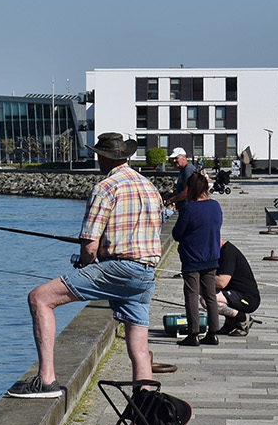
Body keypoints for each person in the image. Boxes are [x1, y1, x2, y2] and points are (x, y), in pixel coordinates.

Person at [9, 133, 163, 398]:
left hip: (120, 269)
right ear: (125, 156)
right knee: (138, 348)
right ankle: (145, 405)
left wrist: (86, 263)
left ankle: (46, 380)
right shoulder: (150, 187)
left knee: (39, 298)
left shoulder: (105, 187)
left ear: (102, 157)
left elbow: (90, 246)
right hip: (146, 272)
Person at [172, 171, 222, 346]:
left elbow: (177, 234)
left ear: (191, 189)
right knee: (211, 296)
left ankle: (193, 334)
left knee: (192, 295)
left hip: (192, 258)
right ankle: (213, 332)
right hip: (212, 256)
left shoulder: (188, 209)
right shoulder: (216, 206)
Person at [211, 239, 261, 336]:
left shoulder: (228, 253)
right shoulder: (220, 251)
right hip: (234, 293)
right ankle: (231, 321)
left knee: (207, 299)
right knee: (206, 291)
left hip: (247, 299)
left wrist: (201, 278)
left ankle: (243, 318)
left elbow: (222, 282)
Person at [163, 147, 197, 212]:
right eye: (173, 159)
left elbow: (186, 192)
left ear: (184, 157)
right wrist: (172, 195)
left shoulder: (188, 170)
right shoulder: (183, 169)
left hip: (188, 207)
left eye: (176, 158)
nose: (174, 161)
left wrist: (171, 199)